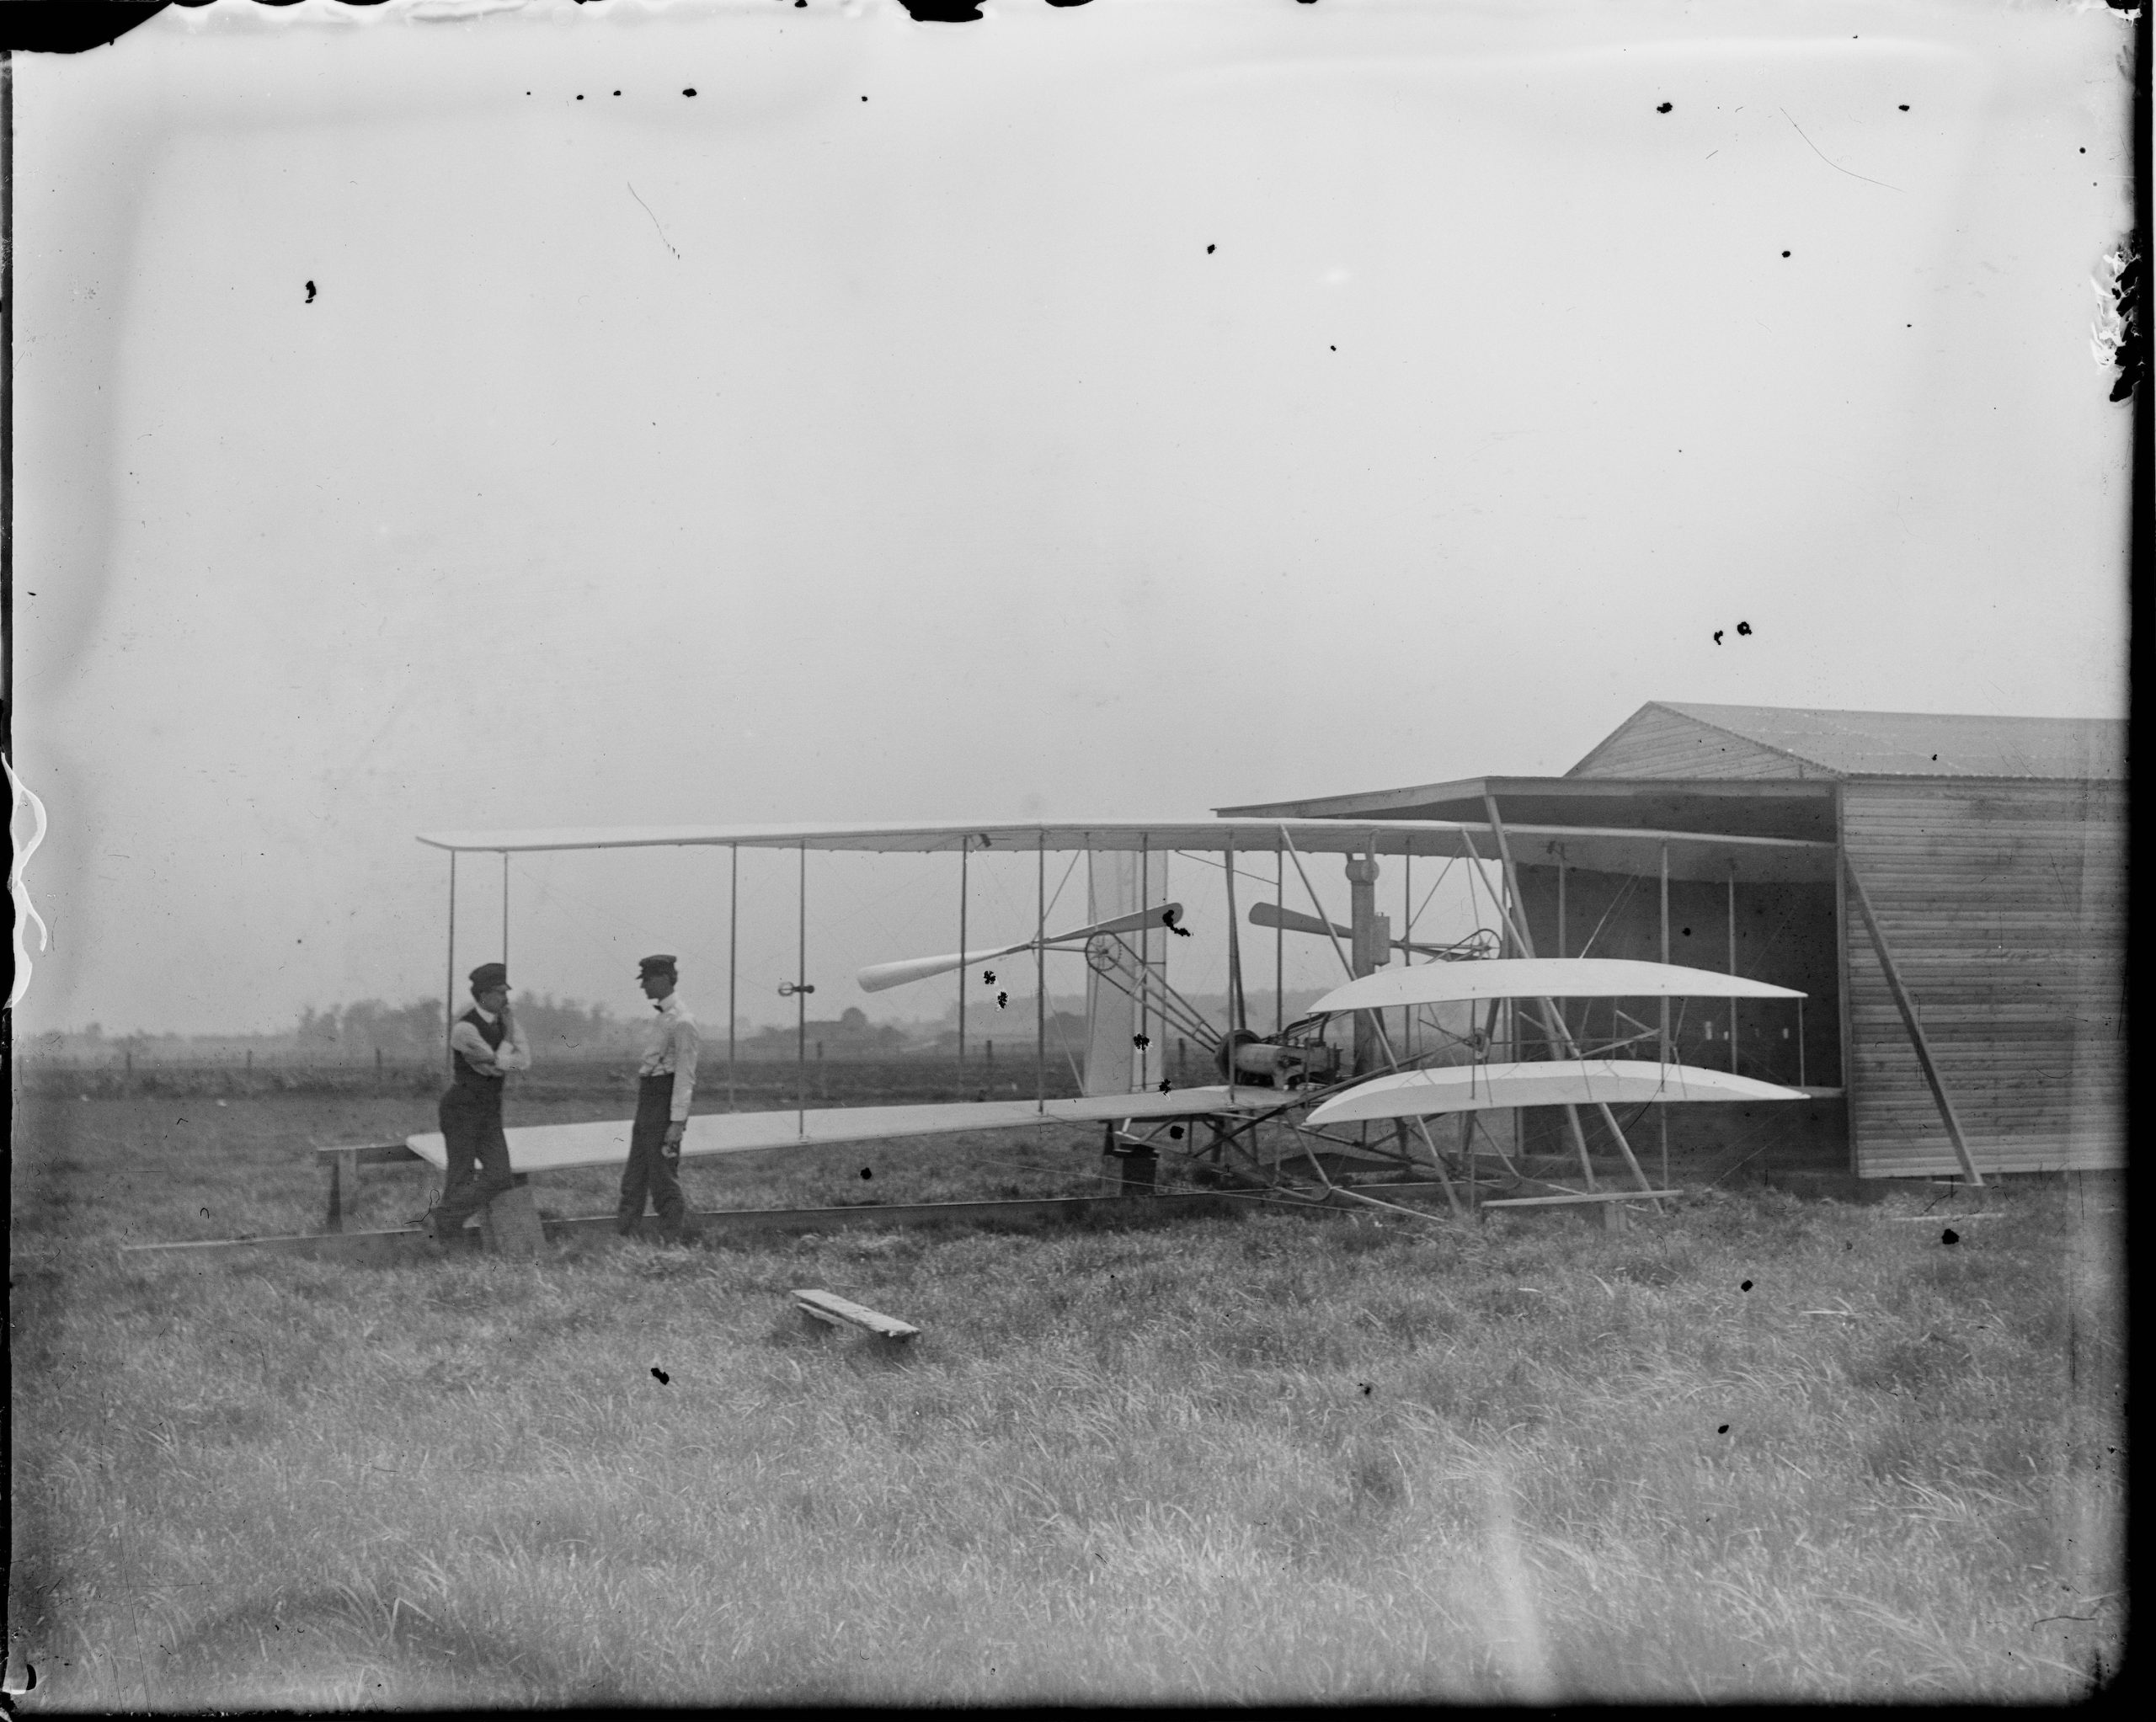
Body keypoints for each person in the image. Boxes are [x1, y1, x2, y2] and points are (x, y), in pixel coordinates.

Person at [425, 962, 531, 1248]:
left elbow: (525, 1061)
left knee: (500, 1174)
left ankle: (442, 1219)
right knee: (460, 1176)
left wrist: (502, 1055)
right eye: (499, 993)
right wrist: (507, 1040)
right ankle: (448, 1243)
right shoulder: (464, 1029)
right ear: (483, 995)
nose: (506, 999)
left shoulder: (506, 1021)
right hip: (462, 1108)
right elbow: (494, 1068)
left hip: (489, 1110)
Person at [618, 953, 700, 1241]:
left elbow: (685, 1076)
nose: (644, 988)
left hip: (664, 1104)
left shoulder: (682, 1022)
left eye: (648, 981)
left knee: (663, 1177)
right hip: (648, 1102)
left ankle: (671, 1242)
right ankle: (626, 1238)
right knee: (634, 1177)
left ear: (664, 979)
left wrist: (677, 1122)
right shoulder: (662, 1018)